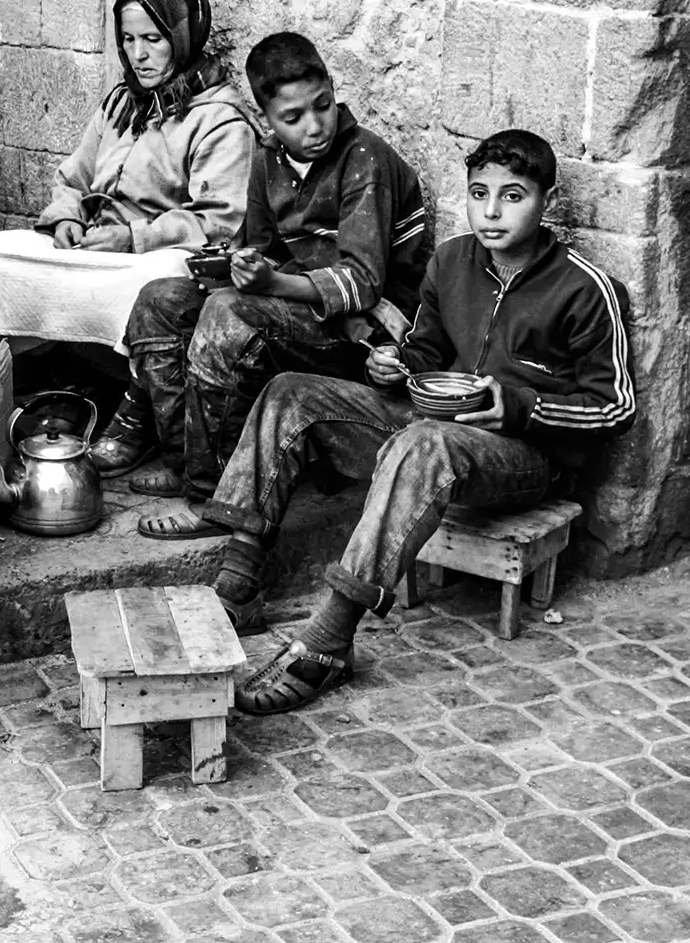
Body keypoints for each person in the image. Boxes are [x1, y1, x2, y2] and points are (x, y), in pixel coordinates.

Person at [218, 130, 635, 710]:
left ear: (548, 201)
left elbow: (615, 408)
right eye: (478, 193)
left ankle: (329, 639)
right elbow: (426, 358)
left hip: (523, 457)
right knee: (291, 393)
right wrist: (395, 366)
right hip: (432, 432)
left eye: (513, 196)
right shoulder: (452, 261)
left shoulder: (585, 288)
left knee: (425, 442)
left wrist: (520, 406)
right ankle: (237, 585)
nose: (491, 211)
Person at [100, 33, 431, 559]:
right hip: (298, 312)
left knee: (230, 314)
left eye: (321, 106)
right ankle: (188, 461)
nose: (314, 126)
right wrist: (244, 265)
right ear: (268, 119)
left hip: (365, 336)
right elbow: (262, 248)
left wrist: (269, 285)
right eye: (293, 117)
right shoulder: (269, 159)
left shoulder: (365, 156)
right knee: (160, 299)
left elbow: (363, 282)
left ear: (332, 91)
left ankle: (211, 498)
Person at [0, 0, 258, 356]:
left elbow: (218, 223)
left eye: (153, 39)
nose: (138, 54)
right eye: (128, 39)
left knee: (155, 282)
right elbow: (73, 179)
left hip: (152, 258)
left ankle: (129, 389)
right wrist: (66, 219)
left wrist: (133, 239)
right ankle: (20, 368)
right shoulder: (121, 103)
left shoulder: (219, 121)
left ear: (182, 39)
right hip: (97, 245)